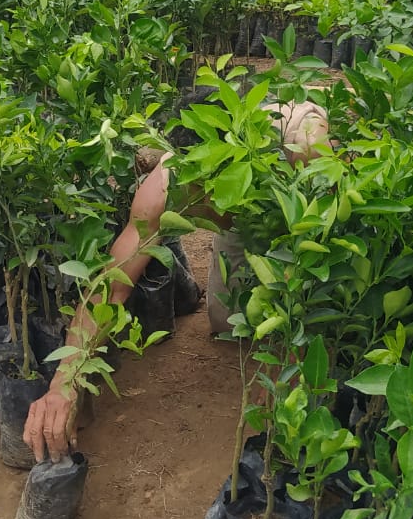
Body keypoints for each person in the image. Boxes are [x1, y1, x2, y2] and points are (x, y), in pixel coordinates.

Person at [24, 97, 333, 463]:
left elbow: (320, 256)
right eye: (194, 188)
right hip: (244, 218)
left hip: (299, 216)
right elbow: (113, 286)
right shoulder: (166, 185)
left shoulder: (305, 145)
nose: (197, 199)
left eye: (206, 188)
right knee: (228, 322)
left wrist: (291, 363)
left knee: (311, 332)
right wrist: (65, 381)